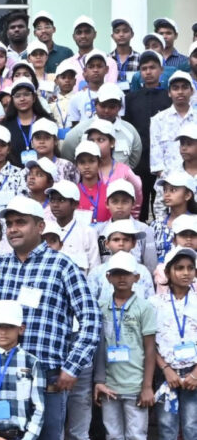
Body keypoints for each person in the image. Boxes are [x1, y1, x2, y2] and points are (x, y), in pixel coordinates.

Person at [0, 195, 101, 439]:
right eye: (10, 223)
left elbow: (92, 320)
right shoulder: (0, 264)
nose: (13, 229)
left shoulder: (62, 266)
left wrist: (72, 367)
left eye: (20, 222)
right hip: (5, 377)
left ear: (40, 226)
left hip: (48, 379)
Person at [91, 250, 158, 440]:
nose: (122, 277)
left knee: (137, 435)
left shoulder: (144, 308)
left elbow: (150, 349)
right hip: (109, 386)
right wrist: (99, 381)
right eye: (117, 273)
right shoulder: (101, 306)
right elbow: (97, 347)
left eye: (127, 273)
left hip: (135, 385)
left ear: (136, 277)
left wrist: (147, 386)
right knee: (112, 434)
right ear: (108, 277)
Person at [0, 299, 46, 440]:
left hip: (22, 435)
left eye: (10, 326)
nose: (3, 332)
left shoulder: (32, 363)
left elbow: (39, 408)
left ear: (21, 329)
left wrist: (28, 438)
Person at [148, 246, 197, 440]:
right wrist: (166, 369)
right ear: (168, 272)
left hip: (194, 374)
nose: (186, 273)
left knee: (192, 426)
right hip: (166, 374)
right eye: (179, 268)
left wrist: (195, 373)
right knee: (166, 426)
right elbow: (150, 342)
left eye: (190, 268)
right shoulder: (154, 303)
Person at [123, 50, 172, 221]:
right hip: (140, 160)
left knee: (163, 207)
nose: (148, 72)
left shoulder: (169, 97)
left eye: (152, 67)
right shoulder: (130, 98)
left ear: (161, 70)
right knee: (140, 205)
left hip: (163, 160)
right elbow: (127, 129)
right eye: (144, 68)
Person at [150, 71, 196, 179]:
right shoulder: (158, 120)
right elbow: (156, 160)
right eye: (175, 88)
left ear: (191, 91)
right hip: (167, 185)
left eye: (184, 87)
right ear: (169, 93)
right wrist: (169, 181)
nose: (180, 92)